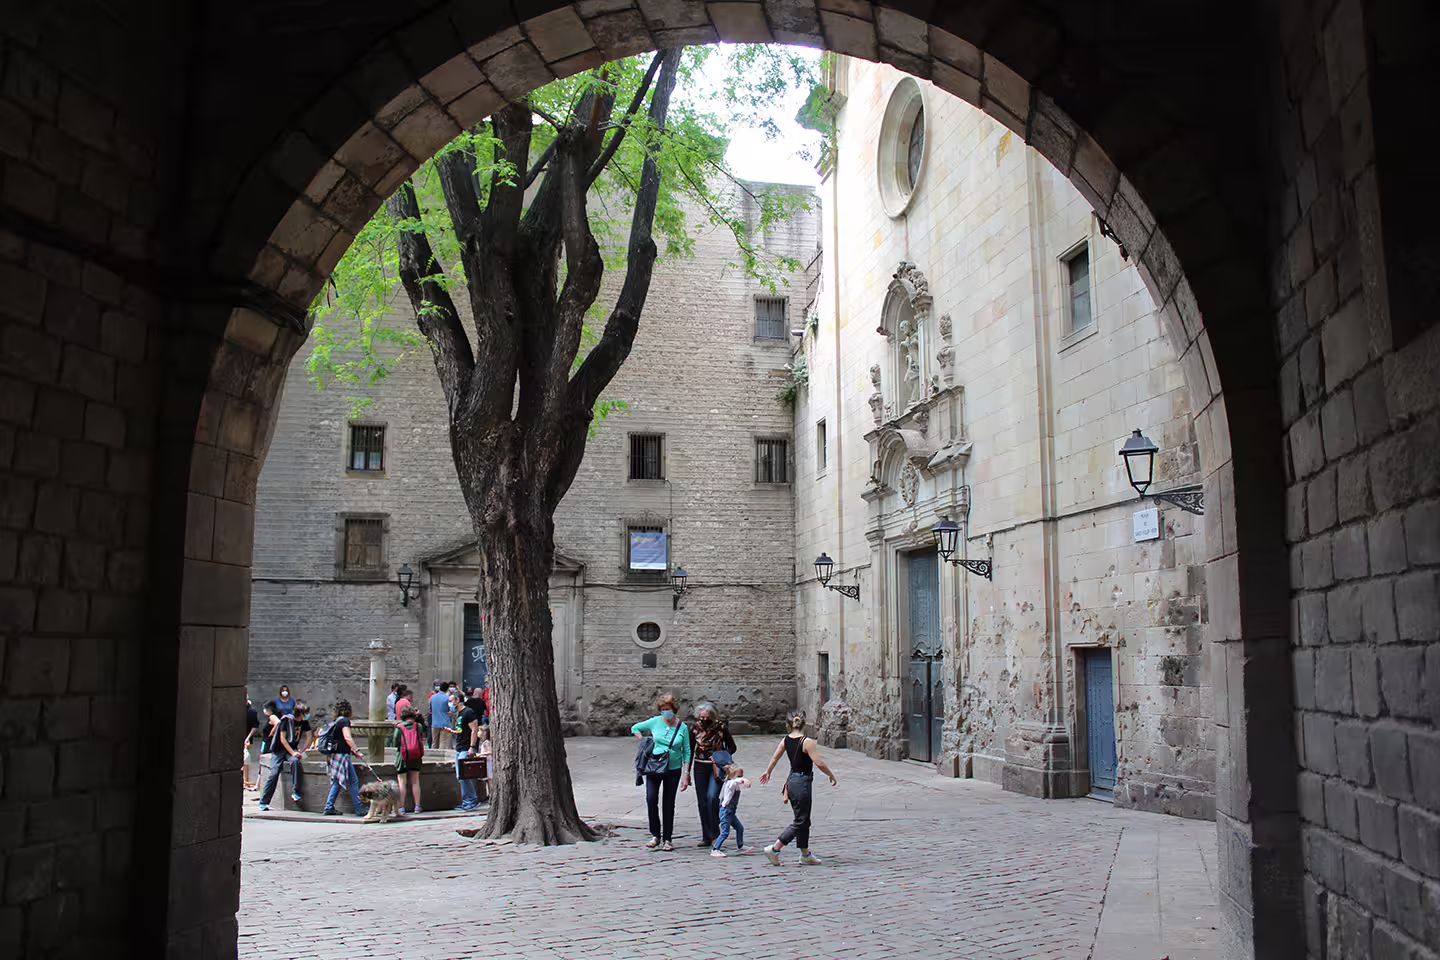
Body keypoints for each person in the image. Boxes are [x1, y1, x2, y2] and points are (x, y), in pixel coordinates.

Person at [760, 712, 838, 866]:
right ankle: (775, 848)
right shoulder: (807, 741)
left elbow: (775, 757)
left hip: (792, 781)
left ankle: (805, 854)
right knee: (801, 820)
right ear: (804, 724)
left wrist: (768, 771)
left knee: (803, 819)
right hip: (802, 781)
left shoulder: (786, 740)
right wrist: (830, 774)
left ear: (789, 725)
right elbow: (819, 762)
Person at [630, 693, 692, 852]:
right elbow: (635, 727)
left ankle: (668, 839)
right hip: (655, 766)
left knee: (668, 803)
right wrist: (643, 740)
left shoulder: (682, 727)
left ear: (674, 710)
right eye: (663, 709)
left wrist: (686, 774)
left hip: (673, 768)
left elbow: (687, 751)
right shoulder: (655, 722)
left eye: (669, 709)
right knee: (651, 799)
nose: (666, 712)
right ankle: (655, 835)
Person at [690, 702, 736, 847]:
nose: (703, 721)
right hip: (699, 767)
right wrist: (686, 772)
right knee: (702, 801)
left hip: (716, 768)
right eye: (701, 718)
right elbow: (690, 750)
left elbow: (732, 746)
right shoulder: (695, 728)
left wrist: (722, 757)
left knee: (712, 798)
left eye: (706, 718)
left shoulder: (720, 727)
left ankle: (716, 833)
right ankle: (706, 835)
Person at [322, 699, 368, 817]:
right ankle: (359, 808)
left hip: (333, 755)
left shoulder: (336, 721)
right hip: (342, 755)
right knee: (353, 781)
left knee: (337, 781)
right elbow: (347, 737)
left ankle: (329, 806)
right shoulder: (345, 721)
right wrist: (356, 750)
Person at [259, 700, 304, 811]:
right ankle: (264, 802)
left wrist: (301, 750)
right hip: (278, 750)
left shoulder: (302, 722)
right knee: (274, 773)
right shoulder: (285, 720)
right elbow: (282, 739)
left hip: (290, 750)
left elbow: (308, 736)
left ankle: (296, 792)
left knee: (295, 762)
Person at [710, 764, 752, 858]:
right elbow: (735, 781)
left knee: (739, 828)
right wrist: (743, 780)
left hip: (731, 812)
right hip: (726, 811)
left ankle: (740, 845)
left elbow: (736, 781)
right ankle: (715, 849)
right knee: (725, 832)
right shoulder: (730, 783)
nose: (741, 778)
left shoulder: (734, 784)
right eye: (739, 776)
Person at [451, 691, 482, 811]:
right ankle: (468, 800)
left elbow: (474, 730)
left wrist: (472, 747)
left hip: (465, 748)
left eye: (452, 700)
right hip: (459, 747)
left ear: (457, 701)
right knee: (462, 776)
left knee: (464, 775)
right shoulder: (459, 714)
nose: (450, 703)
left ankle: (471, 800)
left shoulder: (468, 712)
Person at [391, 705, 425, 814]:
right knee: (415, 781)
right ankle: (417, 806)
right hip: (416, 756)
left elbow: (395, 743)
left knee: (402, 782)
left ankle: (401, 807)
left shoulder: (399, 727)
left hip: (402, 757)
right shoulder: (418, 726)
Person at [243, 699, 261, 790]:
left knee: (246, 759)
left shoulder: (252, 711)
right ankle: (244, 780)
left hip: (247, 737)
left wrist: (248, 737)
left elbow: (255, 726)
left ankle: (246, 780)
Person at [429, 683, 453, 750]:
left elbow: (431, 709)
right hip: (445, 723)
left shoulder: (432, 697)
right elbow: (451, 709)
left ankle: (433, 758)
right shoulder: (447, 698)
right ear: (447, 689)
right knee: (443, 743)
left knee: (434, 743)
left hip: (435, 723)